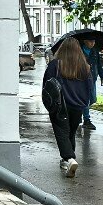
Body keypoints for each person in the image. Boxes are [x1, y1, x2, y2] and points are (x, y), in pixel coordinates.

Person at [42, 39, 93, 177]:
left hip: (60, 105)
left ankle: (69, 158)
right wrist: (85, 103)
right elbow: (89, 87)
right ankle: (67, 160)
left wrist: (48, 104)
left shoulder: (55, 65)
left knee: (61, 133)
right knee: (70, 132)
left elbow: (47, 85)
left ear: (62, 50)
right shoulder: (85, 67)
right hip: (78, 106)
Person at [78, 38, 103, 130]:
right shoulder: (79, 51)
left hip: (92, 78)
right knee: (85, 99)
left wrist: (102, 77)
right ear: (85, 41)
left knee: (92, 99)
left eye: (94, 41)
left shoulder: (94, 51)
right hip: (82, 79)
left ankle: (80, 112)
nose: (93, 43)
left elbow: (99, 65)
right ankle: (86, 120)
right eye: (90, 41)